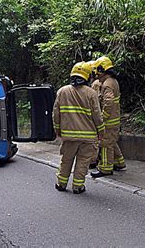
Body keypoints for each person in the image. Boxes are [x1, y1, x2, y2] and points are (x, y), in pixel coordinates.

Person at [53, 62, 105, 194]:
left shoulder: (62, 91)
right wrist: (101, 131)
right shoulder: (91, 93)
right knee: (83, 162)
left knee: (66, 160)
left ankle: (61, 184)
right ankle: (78, 186)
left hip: (69, 136)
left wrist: (58, 130)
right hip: (88, 137)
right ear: (87, 76)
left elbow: (56, 114)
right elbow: (97, 116)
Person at [91, 56, 125, 178]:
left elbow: (108, 102)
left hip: (109, 121)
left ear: (101, 70)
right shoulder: (111, 81)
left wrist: (102, 118)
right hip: (114, 119)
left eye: (96, 70)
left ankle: (105, 168)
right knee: (111, 142)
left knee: (105, 144)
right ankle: (119, 163)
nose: (95, 73)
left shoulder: (107, 84)